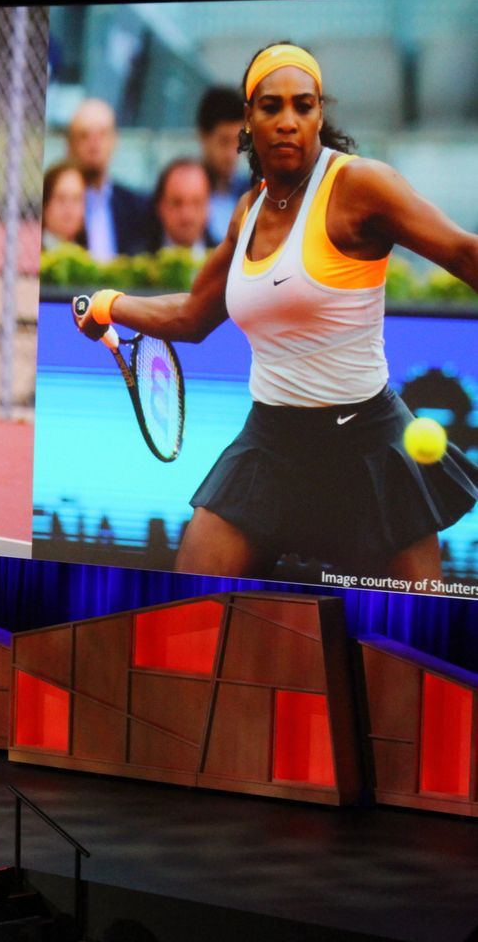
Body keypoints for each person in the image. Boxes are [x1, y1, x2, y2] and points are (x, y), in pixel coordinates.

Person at [74, 41, 478, 581]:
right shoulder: (249, 210)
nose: (288, 121)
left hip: (368, 448)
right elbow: (194, 315)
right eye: (271, 107)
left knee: (407, 649)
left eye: (303, 105)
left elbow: (463, 253)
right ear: (248, 119)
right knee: (187, 607)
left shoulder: (359, 186)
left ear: (319, 114)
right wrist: (109, 304)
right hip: (270, 447)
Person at [66, 98, 155, 258]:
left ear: (114, 140)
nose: (94, 145)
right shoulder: (55, 204)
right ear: (70, 143)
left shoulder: (137, 208)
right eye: (84, 135)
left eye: (102, 134)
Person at [198, 85, 253, 244]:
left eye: (239, 142)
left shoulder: (251, 194)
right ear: (203, 137)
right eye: (224, 142)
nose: (232, 154)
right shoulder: (184, 200)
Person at [150, 158, 214, 255]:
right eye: (177, 203)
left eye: (196, 203)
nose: (187, 215)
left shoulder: (231, 262)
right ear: (161, 207)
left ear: (209, 206)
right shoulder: (134, 263)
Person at [41, 161, 86, 250]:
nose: (69, 208)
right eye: (61, 199)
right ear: (45, 206)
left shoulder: (86, 258)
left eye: (76, 199)